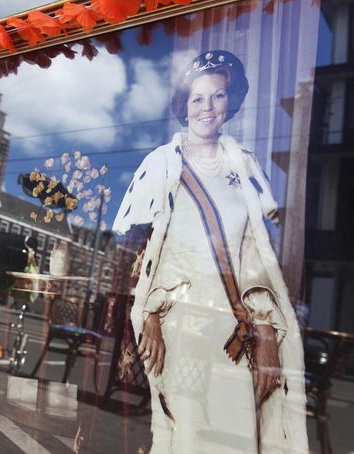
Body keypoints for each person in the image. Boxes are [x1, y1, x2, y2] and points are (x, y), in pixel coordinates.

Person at [113, 50, 308, 453]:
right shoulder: (160, 165)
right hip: (178, 326)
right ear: (184, 107)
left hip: (234, 330)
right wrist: (148, 314)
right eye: (197, 98)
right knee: (185, 433)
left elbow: (257, 256)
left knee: (236, 433)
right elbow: (136, 254)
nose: (207, 107)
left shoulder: (247, 167)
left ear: (229, 101)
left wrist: (267, 331)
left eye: (217, 96)